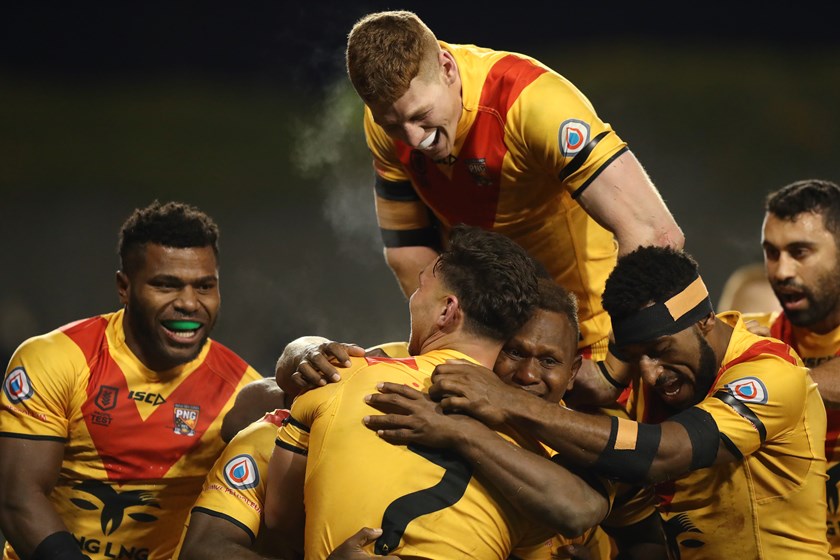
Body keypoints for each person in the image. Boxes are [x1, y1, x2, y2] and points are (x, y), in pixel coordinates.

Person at [404, 245, 830, 559]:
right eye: (633, 356)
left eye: (660, 350)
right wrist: (349, 353)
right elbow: (548, 367)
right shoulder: (644, 380)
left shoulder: (770, 373)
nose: (647, 373)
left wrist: (504, 402)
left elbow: (666, 452)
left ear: (705, 322)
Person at [345, 10, 684, 371]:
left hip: (590, 345)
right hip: (493, 350)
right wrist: (459, 345)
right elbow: (407, 249)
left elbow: (656, 233)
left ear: (446, 68)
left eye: (421, 115)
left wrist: (615, 367)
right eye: (393, 124)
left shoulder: (533, 102)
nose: (413, 139)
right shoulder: (386, 120)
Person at [263, 225, 616, 559]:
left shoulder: (345, 378)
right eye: (517, 352)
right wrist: (303, 348)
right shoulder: (539, 475)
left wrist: (460, 432)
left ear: (448, 310)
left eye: (420, 288)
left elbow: (280, 520)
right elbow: (576, 511)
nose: (527, 374)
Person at [0, 201, 264, 560]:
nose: (189, 303)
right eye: (166, 285)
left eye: (204, 287)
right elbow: (16, 498)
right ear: (124, 287)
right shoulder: (56, 359)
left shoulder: (239, 389)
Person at [742, 179, 840, 555]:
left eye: (800, 252)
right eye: (771, 252)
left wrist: (756, 377)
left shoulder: (753, 355)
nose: (781, 271)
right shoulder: (750, 335)